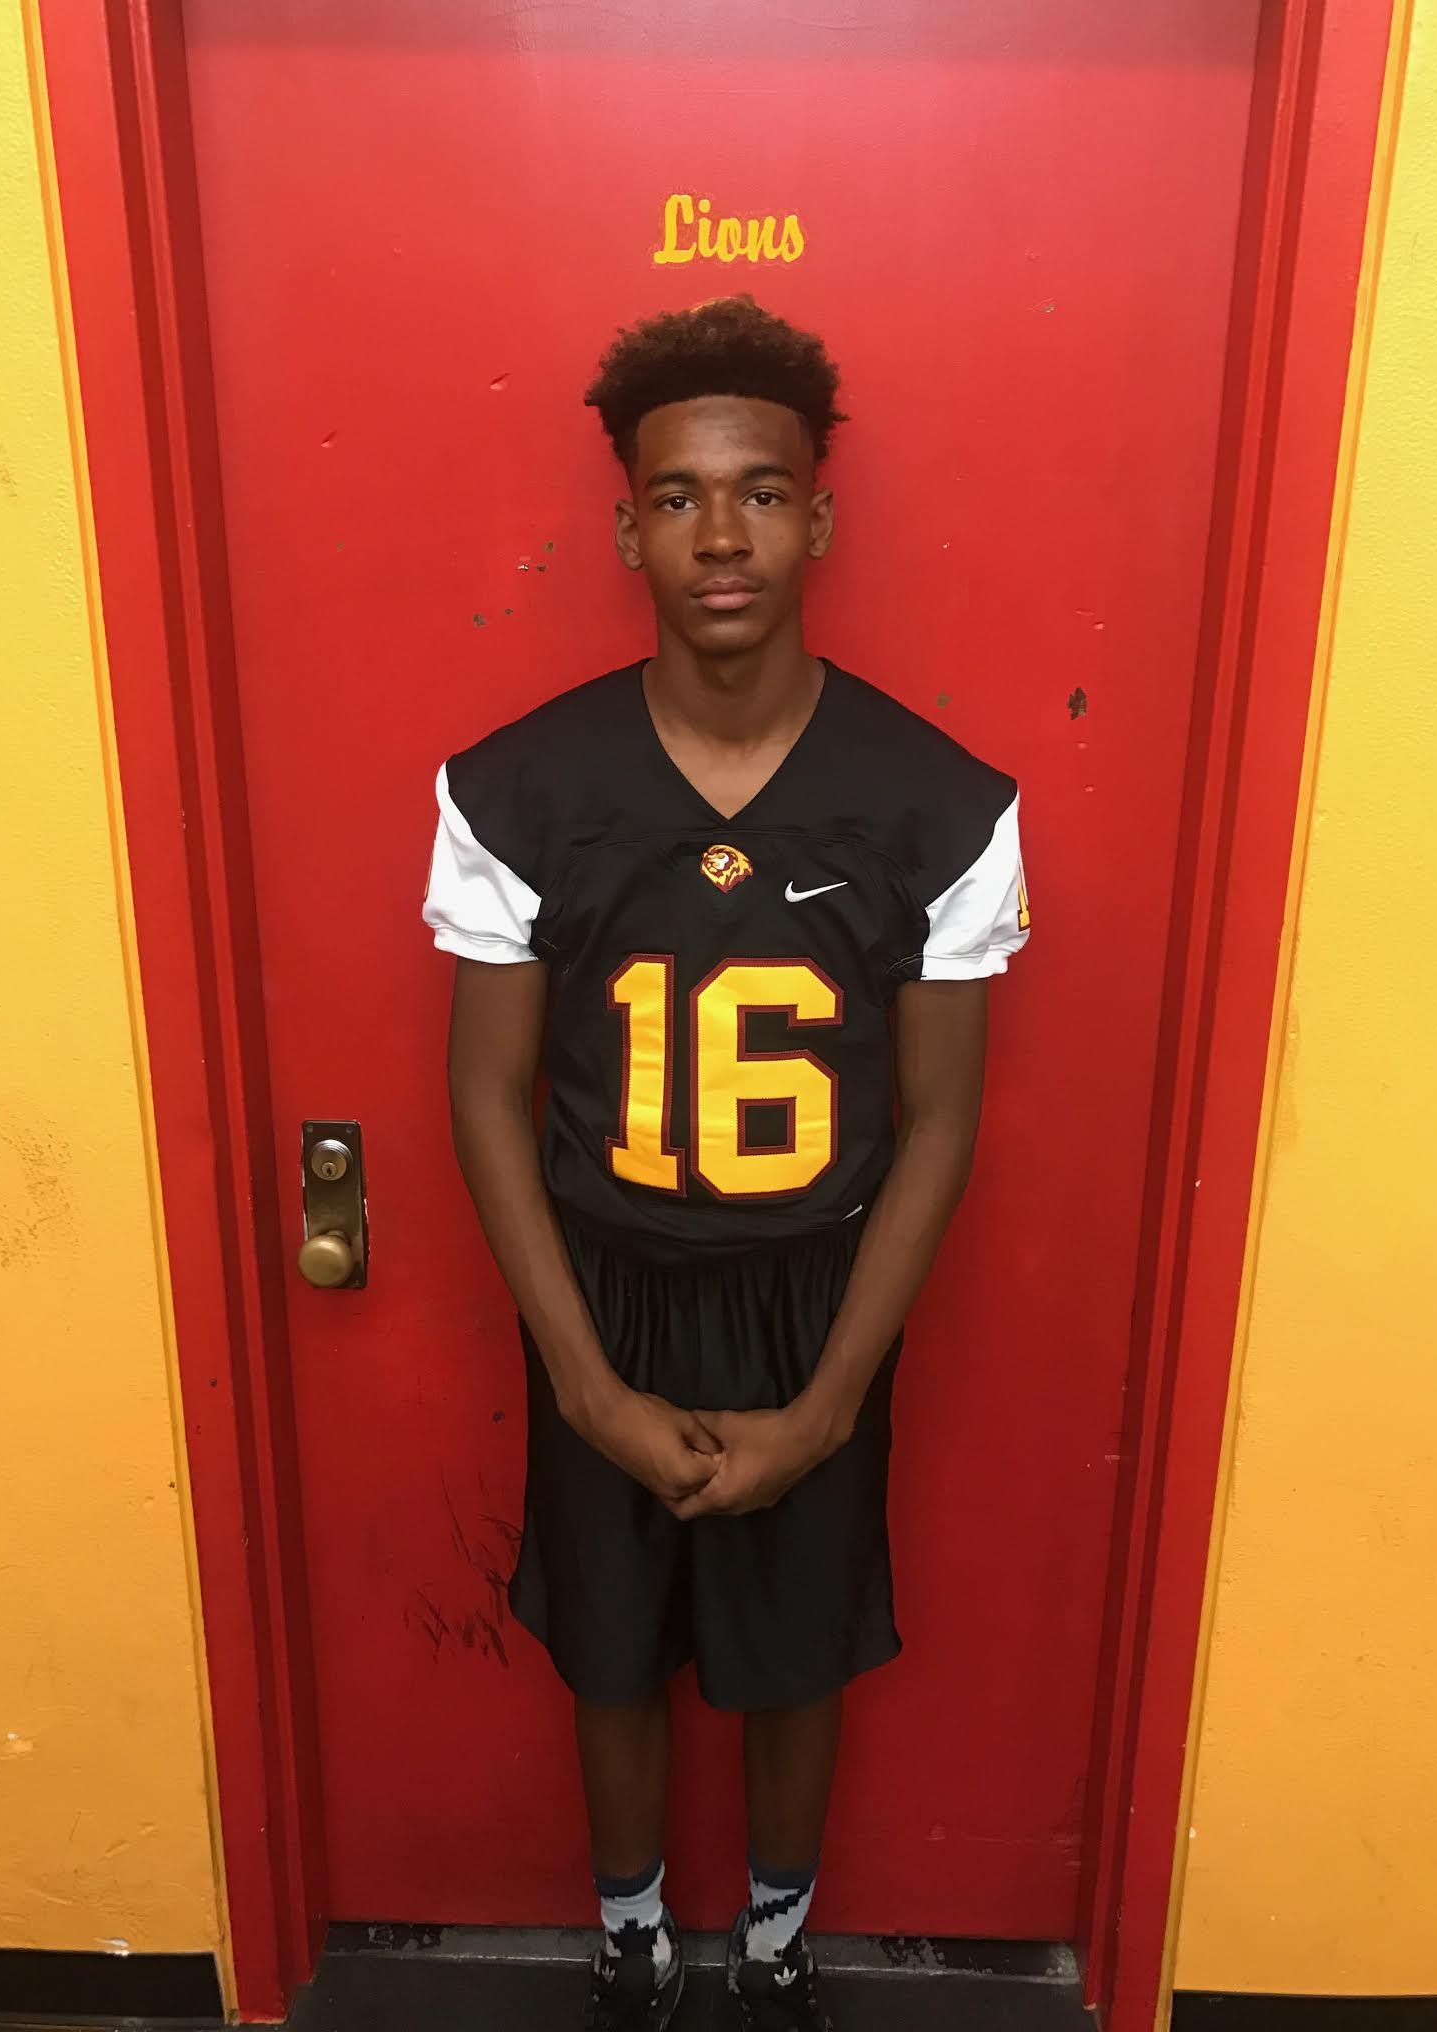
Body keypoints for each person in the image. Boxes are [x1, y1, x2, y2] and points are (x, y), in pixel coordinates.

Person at [422, 295, 1030, 2030]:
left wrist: (826, 1407)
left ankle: (773, 1944)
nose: (720, 535)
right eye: (677, 497)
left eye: (760, 492)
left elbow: (941, 1121)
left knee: (798, 1649)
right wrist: (587, 1387)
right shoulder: (521, 786)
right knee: (609, 1650)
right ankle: (631, 1939)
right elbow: (486, 1095)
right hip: (600, 1282)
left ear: (818, 518)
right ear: (627, 529)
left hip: (813, 1293)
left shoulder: (939, 802)